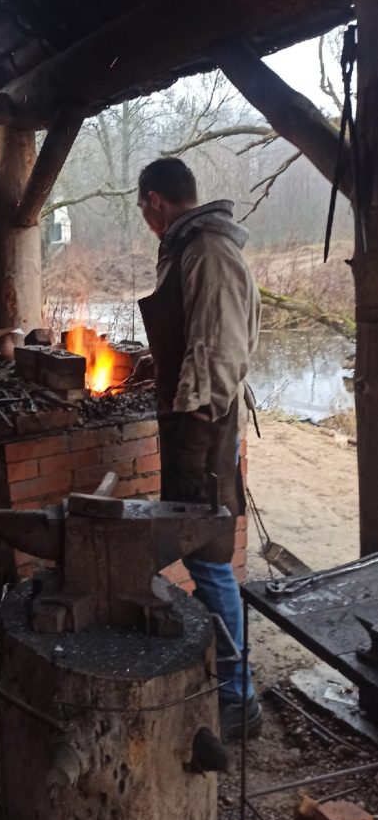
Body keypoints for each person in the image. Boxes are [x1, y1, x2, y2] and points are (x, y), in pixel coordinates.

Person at [135, 157, 262, 741]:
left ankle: (240, 698)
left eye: (143, 209)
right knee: (199, 552)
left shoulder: (207, 250)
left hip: (203, 425)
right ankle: (227, 681)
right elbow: (194, 336)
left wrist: (192, 420)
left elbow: (219, 351)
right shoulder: (190, 247)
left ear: (155, 201)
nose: (144, 218)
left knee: (209, 558)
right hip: (193, 420)